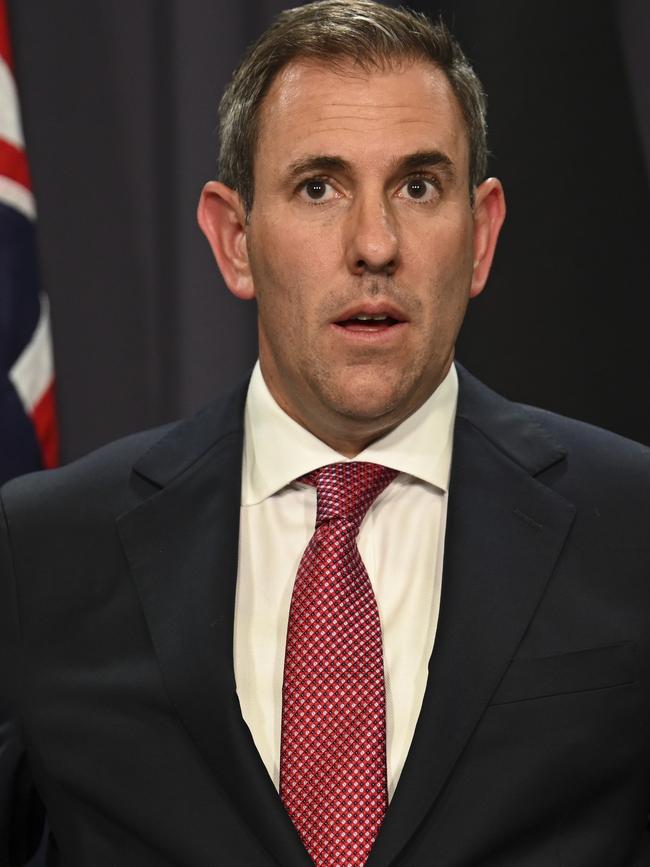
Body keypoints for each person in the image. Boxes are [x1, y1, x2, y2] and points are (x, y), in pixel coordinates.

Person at [1, 1, 648, 864]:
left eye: (418, 187)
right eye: (318, 187)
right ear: (235, 240)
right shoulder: (49, 550)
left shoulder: (631, 524)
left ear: (481, 235)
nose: (374, 245)